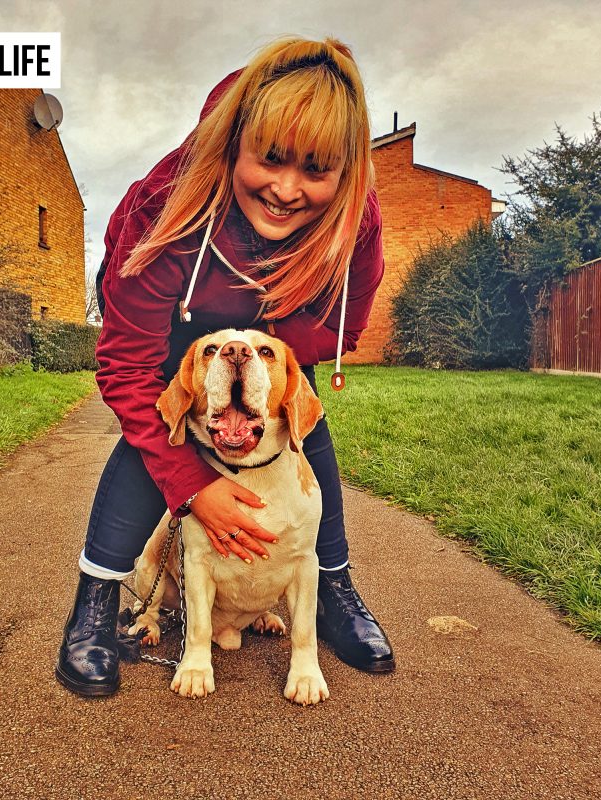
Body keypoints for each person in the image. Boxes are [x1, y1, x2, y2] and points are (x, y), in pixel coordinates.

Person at [55, 36, 395, 698]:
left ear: (347, 173)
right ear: (236, 143)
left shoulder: (357, 224)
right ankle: (94, 603)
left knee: (297, 413)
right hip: (175, 308)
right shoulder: (165, 205)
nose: (287, 189)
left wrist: (263, 354)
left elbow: (341, 331)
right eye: (270, 159)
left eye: (316, 170)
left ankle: (332, 586)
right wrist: (192, 486)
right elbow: (126, 369)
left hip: (278, 315)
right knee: (165, 418)